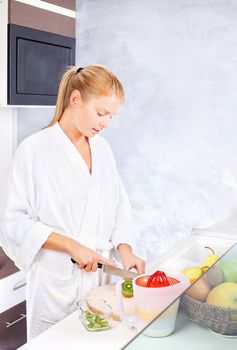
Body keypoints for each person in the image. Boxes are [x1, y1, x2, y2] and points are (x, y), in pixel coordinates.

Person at [0, 64, 145, 340]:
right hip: (55, 284)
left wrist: (125, 250)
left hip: (98, 284)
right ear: (75, 99)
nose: (105, 123)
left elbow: (118, 206)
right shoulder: (34, 150)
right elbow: (13, 222)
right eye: (101, 113)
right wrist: (72, 246)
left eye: (111, 116)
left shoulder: (102, 149)